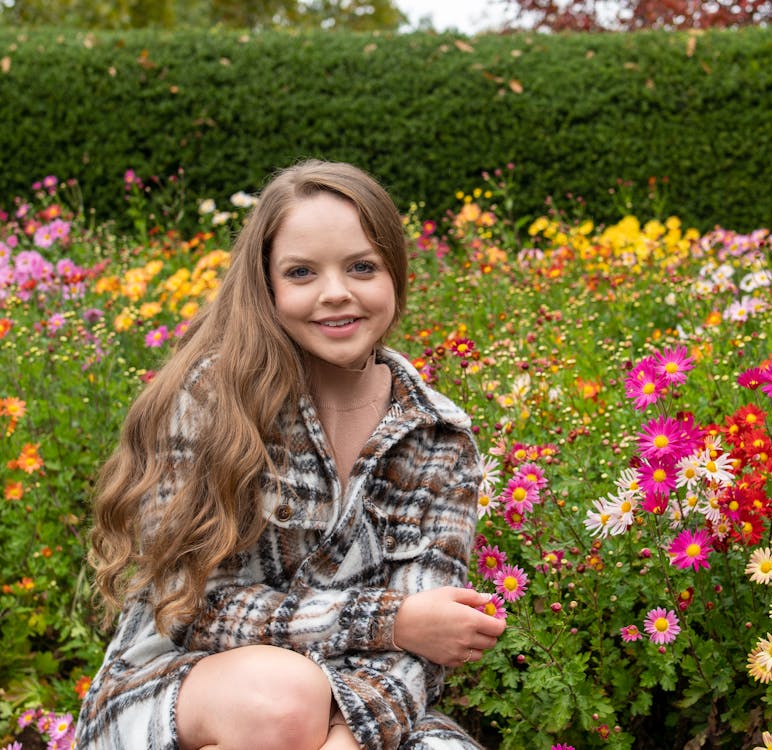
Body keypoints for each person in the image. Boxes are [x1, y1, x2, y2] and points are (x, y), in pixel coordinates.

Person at [74, 159, 506, 750]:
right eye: (301, 272)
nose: (336, 293)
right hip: (187, 687)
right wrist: (392, 621)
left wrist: (349, 739)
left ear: (395, 276)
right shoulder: (212, 401)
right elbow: (189, 607)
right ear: (267, 286)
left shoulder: (439, 438)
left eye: (362, 267)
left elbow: (434, 642)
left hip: (357, 702)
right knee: (283, 699)